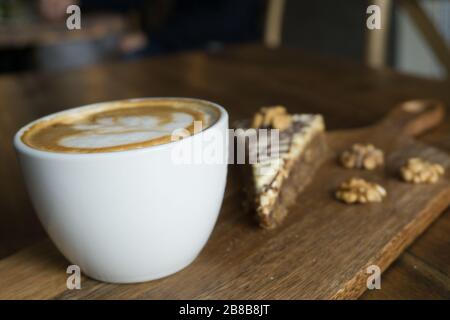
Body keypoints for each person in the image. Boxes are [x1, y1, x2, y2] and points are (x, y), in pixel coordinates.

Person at [39, 0, 264, 58]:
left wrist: (151, 37)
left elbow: (227, 22)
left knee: (128, 62)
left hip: (227, 47)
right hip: (175, 41)